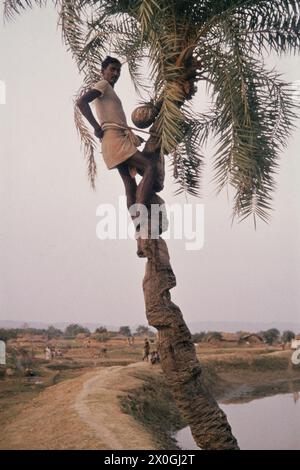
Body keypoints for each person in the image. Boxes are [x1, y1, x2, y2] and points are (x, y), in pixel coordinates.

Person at [77, 56, 160, 214]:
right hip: (114, 139)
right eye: (112, 70)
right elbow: (81, 102)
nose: (116, 73)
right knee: (150, 166)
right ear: (103, 72)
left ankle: (138, 223)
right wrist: (96, 127)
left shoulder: (109, 91)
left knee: (130, 184)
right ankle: (141, 210)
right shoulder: (103, 85)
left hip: (114, 140)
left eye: (118, 70)